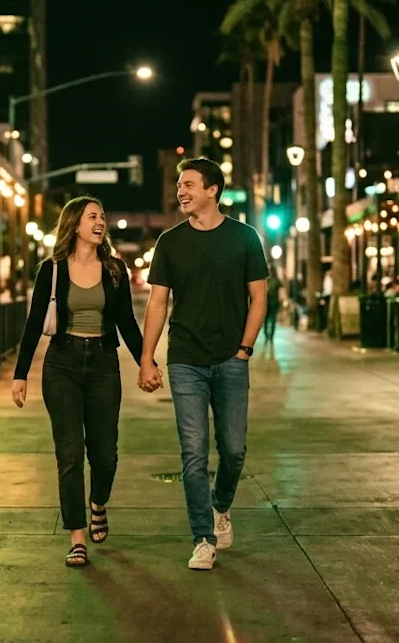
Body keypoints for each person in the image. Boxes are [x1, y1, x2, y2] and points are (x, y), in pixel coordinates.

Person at [140, 157, 268, 571]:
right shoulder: (170, 243)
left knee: (233, 450)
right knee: (193, 454)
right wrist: (148, 359)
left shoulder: (245, 238)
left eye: (190, 184)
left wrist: (244, 349)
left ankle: (221, 505)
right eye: (180, 185)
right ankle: (202, 538)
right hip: (186, 361)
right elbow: (158, 303)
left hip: (232, 359)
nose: (182, 191)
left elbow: (259, 298)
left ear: (213, 190)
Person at [11, 196, 146, 568]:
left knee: (105, 454)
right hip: (62, 365)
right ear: (74, 224)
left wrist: (145, 363)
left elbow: (127, 325)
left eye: (102, 216)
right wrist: (20, 374)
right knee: (69, 453)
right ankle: (76, 536)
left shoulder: (114, 269)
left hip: (103, 363)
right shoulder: (51, 270)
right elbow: (35, 322)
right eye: (92, 216)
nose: (100, 221)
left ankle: (98, 504)